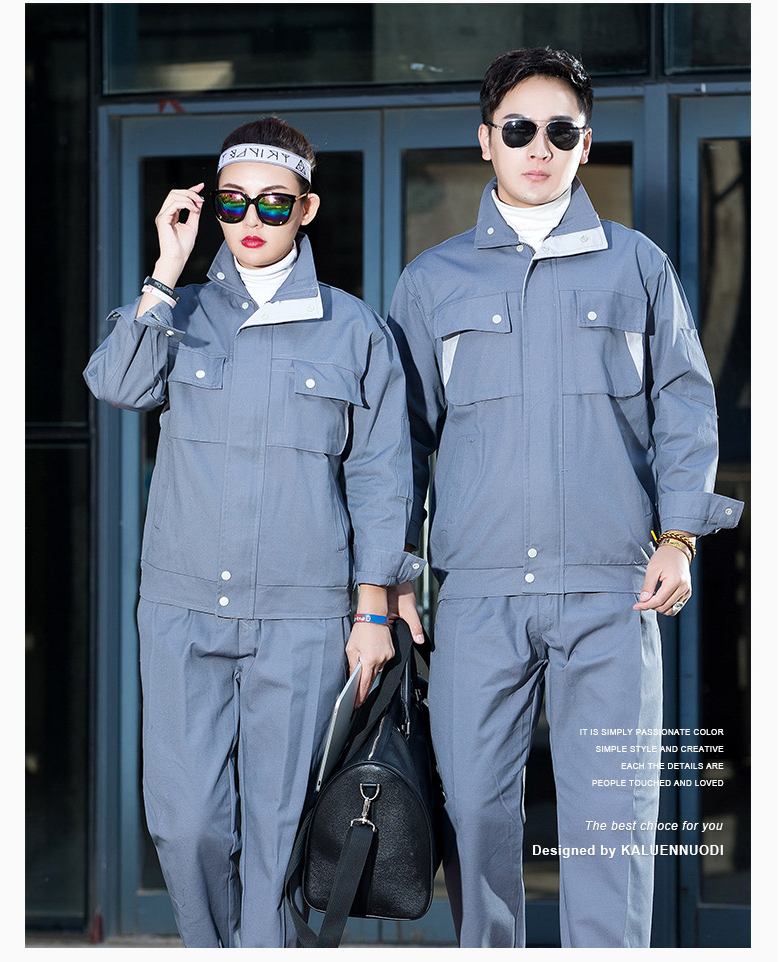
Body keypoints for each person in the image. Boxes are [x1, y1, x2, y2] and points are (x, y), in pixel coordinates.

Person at [386, 47, 743, 948]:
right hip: (478, 596)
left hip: (611, 590)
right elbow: (403, 444)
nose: (538, 147)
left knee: (610, 824)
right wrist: (395, 572)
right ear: (486, 141)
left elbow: (685, 410)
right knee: (473, 810)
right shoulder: (432, 282)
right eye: (519, 129)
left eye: (559, 130)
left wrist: (679, 538)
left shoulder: (638, 268)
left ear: (585, 143)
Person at [84, 116, 423, 948]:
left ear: (306, 209)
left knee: (280, 837)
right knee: (186, 823)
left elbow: (381, 478)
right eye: (232, 202)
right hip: (183, 610)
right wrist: (165, 268)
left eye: (273, 203)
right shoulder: (178, 311)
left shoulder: (354, 329)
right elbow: (117, 385)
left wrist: (372, 611)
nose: (250, 220)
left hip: (303, 619)